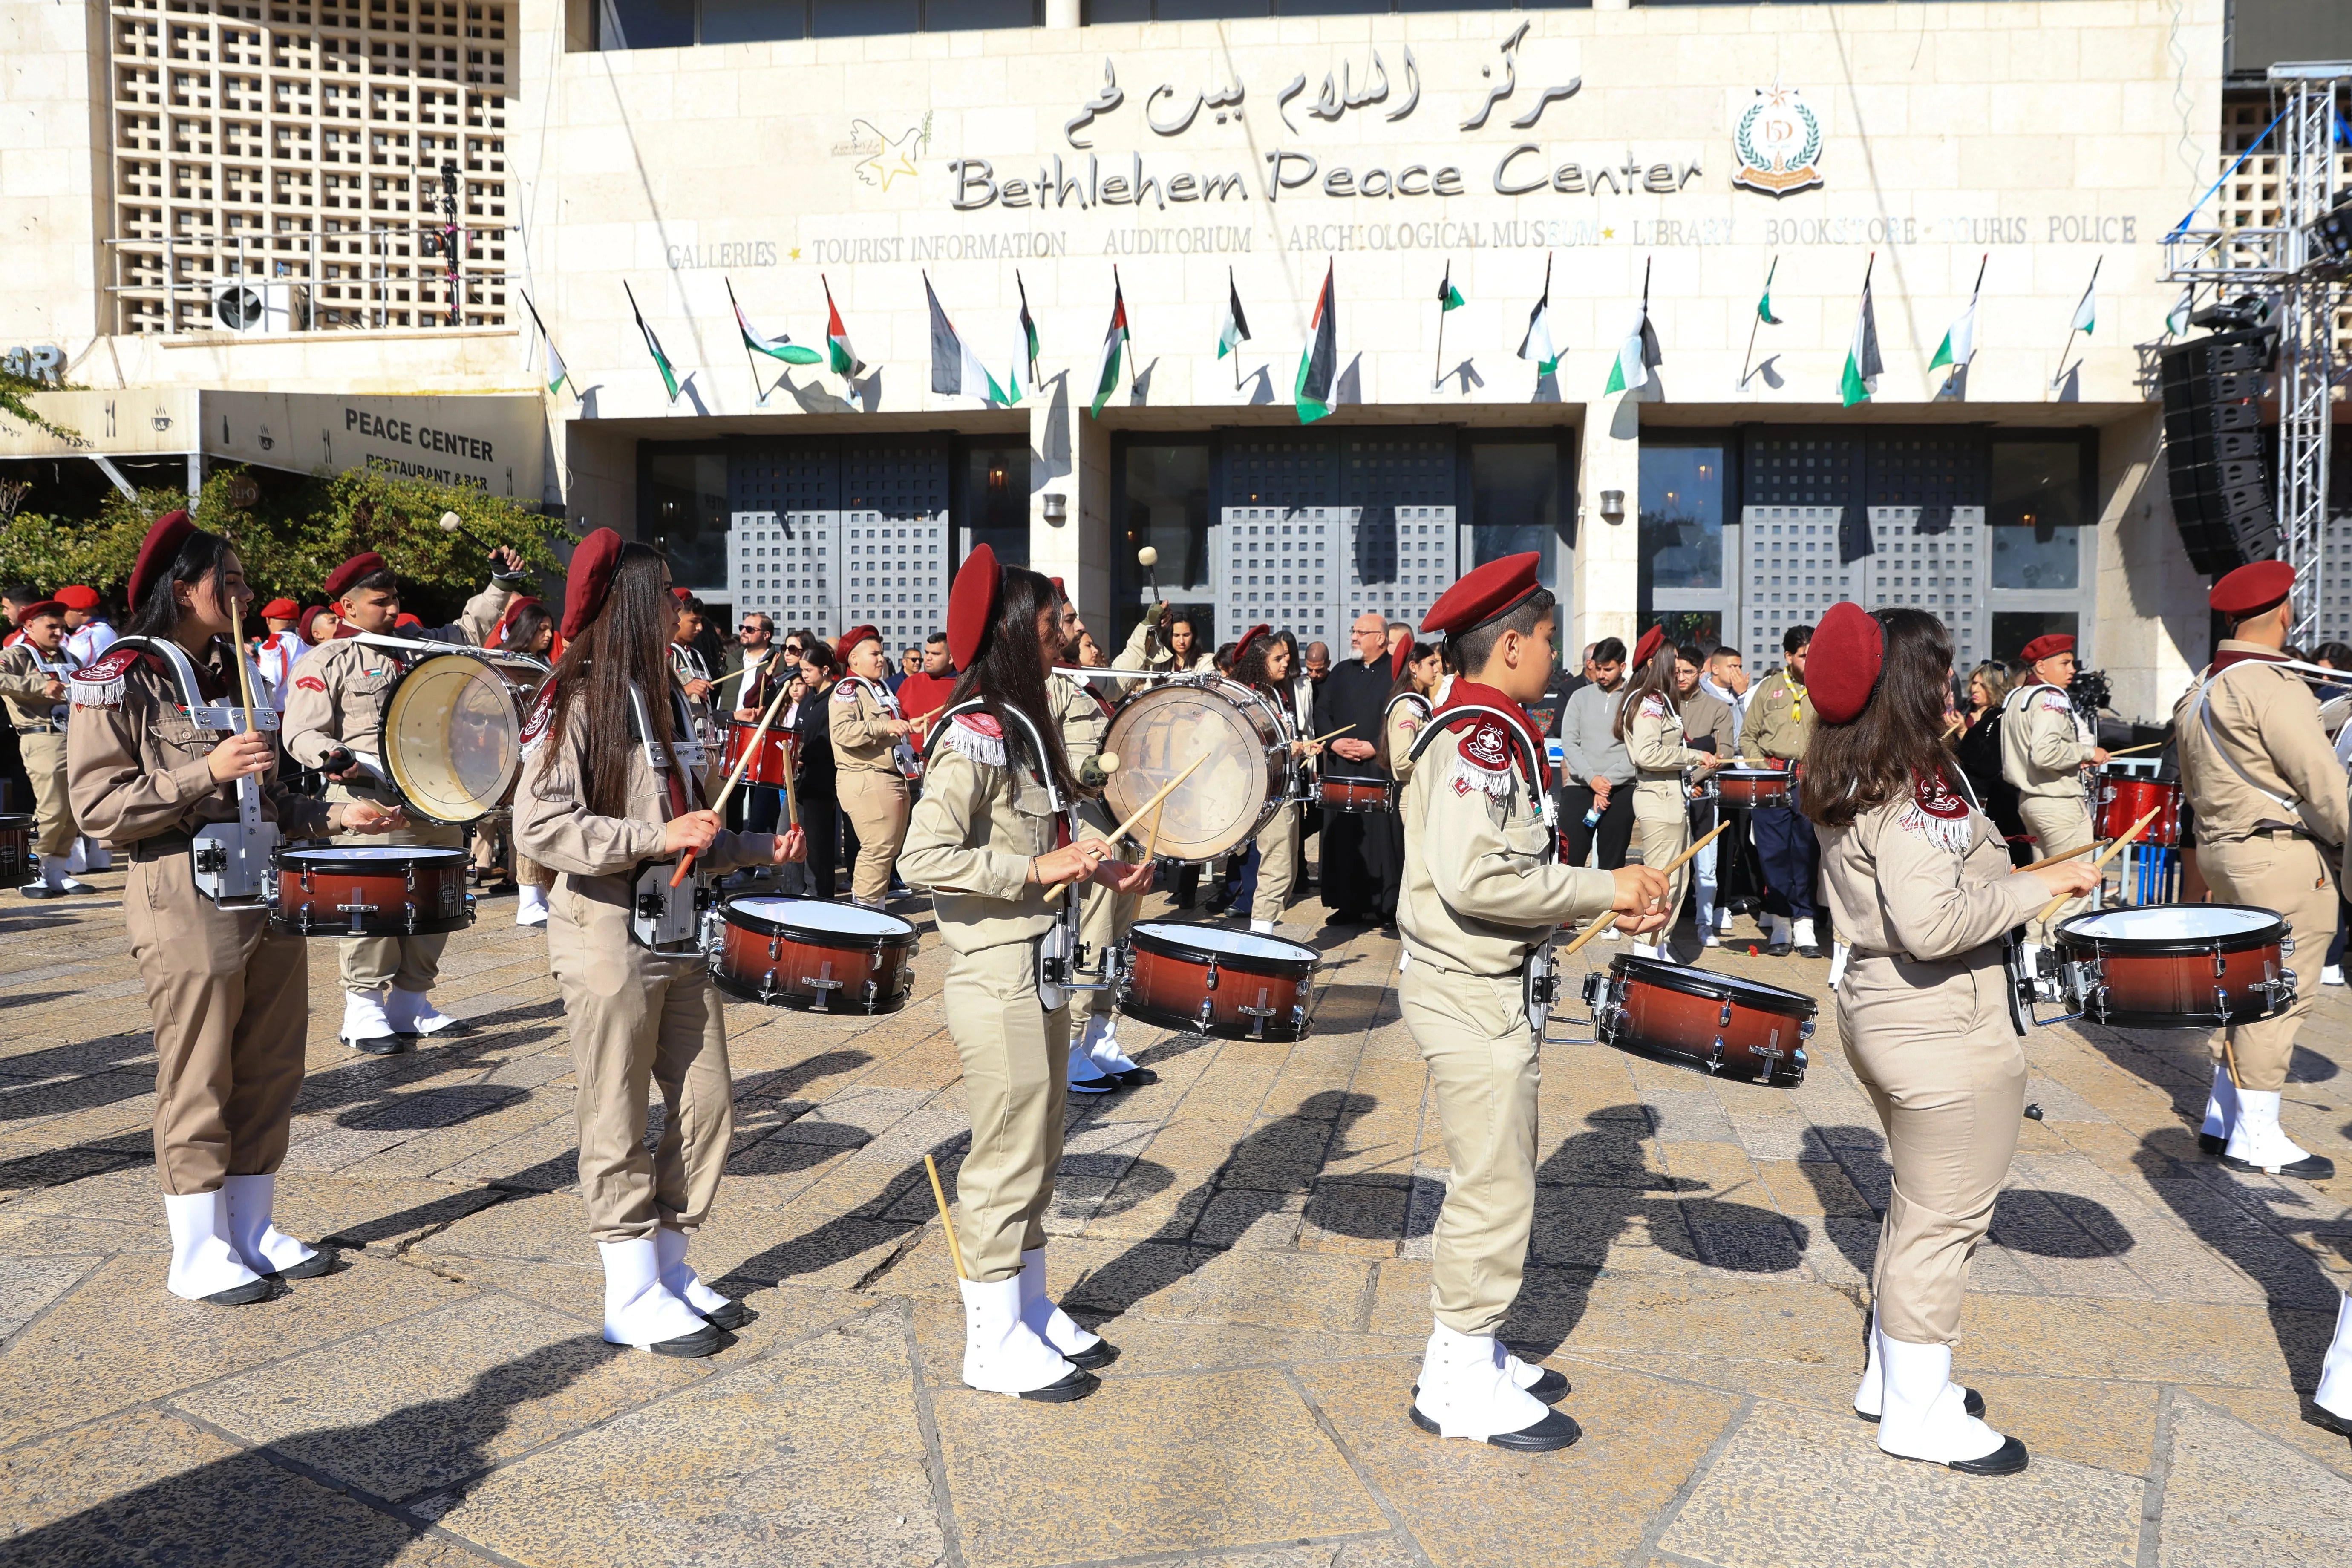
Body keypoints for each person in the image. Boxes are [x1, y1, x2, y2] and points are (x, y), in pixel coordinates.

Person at [67, 509, 404, 1305]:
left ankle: (251, 1226)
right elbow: (97, 806)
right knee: (200, 1066)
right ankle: (195, 1248)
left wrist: (333, 815)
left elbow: (275, 795)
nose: (247, 592)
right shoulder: (122, 672)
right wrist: (202, 772)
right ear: (183, 588)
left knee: (272, 1061)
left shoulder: (241, 668)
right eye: (232, 579)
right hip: (183, 891)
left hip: (266, 883)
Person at [1804, 602, 2099, 1474]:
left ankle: (1890, 1379)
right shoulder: (1914, 781)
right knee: (1945, 1222)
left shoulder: (1843, 764)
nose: (1955, 682)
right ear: (1911, 680)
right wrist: (2041, 887)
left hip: (1879, 1003)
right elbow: (1933, 923)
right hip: (1940, 1016)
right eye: (1940, 667)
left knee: (1917, 1204)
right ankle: (1919, 1409)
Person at [1397, 552, 1672, 1451]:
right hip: (1472, 989)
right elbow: (1479, 878)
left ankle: (1468, 1348)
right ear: (1509, 644)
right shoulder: (1480, 734)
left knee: (1496, 1169)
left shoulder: (1492, 722)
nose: (1557, 656)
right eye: (1549, 640)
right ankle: (1458, 1374)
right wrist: (1606, 888)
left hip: (1486, 984)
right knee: (1494, 1182)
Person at [513, 529, 804, 1357]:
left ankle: (669, 1263)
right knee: (613, 1109)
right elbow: (537, 825)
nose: (681, 607)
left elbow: (692, 830)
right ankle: (627, 1287)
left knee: (710, 1099)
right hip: (605, 930)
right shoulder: (573, 699)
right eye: (668, 593)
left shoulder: (677, 699)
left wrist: (752, 848)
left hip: (677, 929)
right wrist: (650, 833)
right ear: (635, 603)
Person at [899, 545, 1150, 1401]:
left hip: (1040, 967)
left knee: (1041, 1147)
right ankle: (989, 1340)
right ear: (1014, 636)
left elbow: (1044, 835)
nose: (1061, 644)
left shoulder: (1022, 726)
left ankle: (1031, 1308)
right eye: (1048, 631)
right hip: (996, 967)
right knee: (1005, 1156)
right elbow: (924, 855)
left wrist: (1097, 867)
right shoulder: (970, 733)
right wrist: (1042, 873)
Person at [282, 546, 523, 1052]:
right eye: (379, 602)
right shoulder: (328, 659)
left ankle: (412, 999)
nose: (392, 610)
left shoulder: (417, 646)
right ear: (347, 607)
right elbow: (299, 731)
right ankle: (363, 1007)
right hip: (371, 801)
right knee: (373, 904)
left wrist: (499, 584)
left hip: (437, 795)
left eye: (394, 599)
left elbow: (470, 629)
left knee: (438, 897)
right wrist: (333, 755)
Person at [2174, 561, 2344, 1179]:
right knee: (2279, 995)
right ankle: (2259, 1135)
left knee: (2243, 987)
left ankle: (2225, 1119)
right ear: (2283, 613)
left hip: (2226, 850)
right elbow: (2324, 786)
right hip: (2278, 857)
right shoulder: (2274, 686)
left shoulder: (2203, 686)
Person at [1048, 589, 1154, 1097]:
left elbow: (1129, 667)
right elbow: (1045, 760)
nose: (1082, 633)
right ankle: (1069, 1048)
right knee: (1091, 935)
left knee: (1119, 935)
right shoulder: (1051, 686)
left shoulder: (1090, 685)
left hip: (1121, 819)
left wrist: (1148, 626)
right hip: (1088, 822)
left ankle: (1101, 1036)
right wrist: (1083, 772)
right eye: (1072, 623)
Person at [1617, 628, 1724, 959]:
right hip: (1659, 798)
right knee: (1662, 882)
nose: (1678, 665)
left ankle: (1658, 948)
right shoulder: (1649, 702)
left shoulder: (1659, 700)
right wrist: (1693, 755)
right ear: (1655, 662)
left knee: (1676, 878)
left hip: (1669, 797)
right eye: (1673, 659)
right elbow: (1647, 754)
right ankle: (1647, 952)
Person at [1998, 634, 2108, 928]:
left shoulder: (2017, 696)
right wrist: (2088, 752)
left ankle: (2035, 961)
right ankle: (2060, 965)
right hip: (2058, 803)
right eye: (2065, 662)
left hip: (2030, 801)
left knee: (2040, 888)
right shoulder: (2052, 697)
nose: (2073, 669)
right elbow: (2045, 754)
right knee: (2073, 889)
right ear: (2042, 667)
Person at [1218, 625, 1320, 933]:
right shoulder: (1248, 698)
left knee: (1285, 866)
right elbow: (1239, 744)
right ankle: (1261, 934)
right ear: (1261, 661)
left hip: (1283, 791)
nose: (1285, 662)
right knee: (1277, 865)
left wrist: (1301, 751)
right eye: (1278, 658)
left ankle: (1266, 927)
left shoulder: (1277, 693)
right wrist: (1286, 748)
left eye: (1286, 656)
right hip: (1267, 793)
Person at [1740, 624, 1823, 958]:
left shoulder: (1825, 687)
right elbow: (1748, 736)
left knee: (1805, 852)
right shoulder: (1768, 689)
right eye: (1804, 655)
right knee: (1773, 853)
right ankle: (1780, 922)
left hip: (1810, 780)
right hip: (1772, 779)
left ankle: (1805, 922)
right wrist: (1759, 766)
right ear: (1788, 656)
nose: (1811, 660)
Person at [0, 600, 90, 897]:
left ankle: (58, 870)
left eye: (62, 626)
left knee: (74, 809)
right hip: (41, 737)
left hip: (74, 736)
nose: (58, 632)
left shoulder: (68, 656)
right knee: (52, 807)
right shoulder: (15, 655)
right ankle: (32, 870)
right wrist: (39, 686)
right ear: (29, 626)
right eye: (51, 626)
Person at [1316, 611, 1399, 925]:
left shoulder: (1396, 672)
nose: (1354, 637)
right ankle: (1346, 904)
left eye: (1361, 632)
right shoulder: (1340, 672)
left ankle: (1386, 906)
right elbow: (1322, 711)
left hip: (1378, 768)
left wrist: (1378, 748)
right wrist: (1333, 743)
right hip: (1343, 770)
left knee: (1382, 839)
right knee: (1345, 836)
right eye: (1354, 631)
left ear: (1380, 638)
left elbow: (1403, 719)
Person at [830, 625, 913, 908]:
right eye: (874, 654)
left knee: (886, 853)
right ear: (853, 660)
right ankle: (864, 916)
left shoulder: (880, 688)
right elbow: (842, 731)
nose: (881, 659)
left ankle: (874, 912)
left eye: (882, 653)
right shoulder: (848, 689)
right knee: (877, 851)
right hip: (867, 777)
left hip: (890, 777)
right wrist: (883, 725)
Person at [1677, 643, 1739, 946]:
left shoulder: (1718, 708)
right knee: (1670, 861)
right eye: (1676, 671)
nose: (1680, 677)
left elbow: (1725, 752)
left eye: (1688, 672)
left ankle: (1705, 923)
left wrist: (1695, 778)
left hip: (1703, 793)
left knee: (1706, 863)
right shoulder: (1662, 704)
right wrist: (1683, 780)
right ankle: (1666, 924)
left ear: (1700, 672)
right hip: (1670, 794)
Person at [1557, 636, 1632, 879]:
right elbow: (1569, 742)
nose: (1601, 674)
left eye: (1608, 669)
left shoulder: (1635, 700)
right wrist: (1592, 779)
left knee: (1613, 862)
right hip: (1580, 786)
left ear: (1622, 666)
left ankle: (1608, 916)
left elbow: (1637, 750)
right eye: (1598, 668)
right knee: (1570, 859)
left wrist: (1606, 782)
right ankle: (1566, 916)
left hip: (1621, 789)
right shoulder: (1579, 697)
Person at [793, 637, 845, 899]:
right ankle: (797, 890)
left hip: (822, 779)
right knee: (795, 835)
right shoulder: (809, 698)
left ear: (825, 669)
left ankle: (820, 895)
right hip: (803, 779)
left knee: (817, 843)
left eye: (809, 670)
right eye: (802, 670)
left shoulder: (834, 699)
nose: (804, 675)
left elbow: (831, 739)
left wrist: (807, 754)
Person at [250, 598, 309, 715]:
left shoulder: (274, 646)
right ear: (298, 621)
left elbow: (270, 683)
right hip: (307, 710)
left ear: (268, 621)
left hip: (281, 715)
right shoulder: (307, 643)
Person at [58, 585, 117, 666]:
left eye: (63, 612)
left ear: (80, 610)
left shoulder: (88, 634)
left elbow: (66, 665)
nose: (62, 617)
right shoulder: (104, 628)